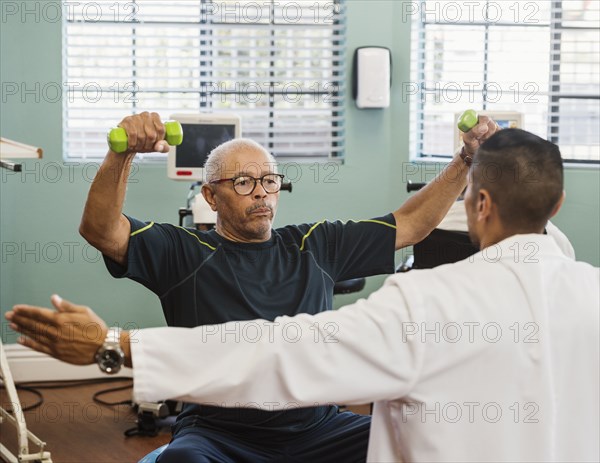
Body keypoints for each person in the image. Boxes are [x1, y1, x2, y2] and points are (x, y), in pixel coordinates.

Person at [7, 129, 599, 462]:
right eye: (243, 182)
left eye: (269, 180)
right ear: (211, 197)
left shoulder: (316, 243)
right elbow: (101, 229)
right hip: (220, 434)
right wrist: (121, 153)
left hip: (318, 428)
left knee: (399, 440)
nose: (261, 193)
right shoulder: (180, 248)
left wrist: (462, 162)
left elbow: (410, 225)